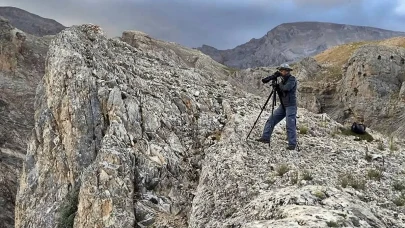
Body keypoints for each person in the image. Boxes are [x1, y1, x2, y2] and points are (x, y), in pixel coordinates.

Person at [256, 63, 298, 150]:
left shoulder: (292, 79)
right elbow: (280, 89)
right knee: (271, 120)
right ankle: (265, 138)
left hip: (291, 106)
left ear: (287, 71)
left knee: (290, 124)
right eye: (280, 70)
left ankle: (292, 144)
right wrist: (276, 84)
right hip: (283, 106)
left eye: (282, 70)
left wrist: (278, 85)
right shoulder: (282, 80)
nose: (281, 72)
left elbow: (286, 88)